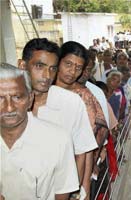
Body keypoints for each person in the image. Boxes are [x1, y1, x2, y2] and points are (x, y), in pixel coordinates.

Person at [17, 38, 98, 198]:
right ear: (22, 65)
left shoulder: (72, 103)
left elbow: (81, 152)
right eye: (39, 66)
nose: (47, 75)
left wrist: (80, 190)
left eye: (52, 68)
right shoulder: (9, 105)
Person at [0, 63, 79, 199]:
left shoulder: (58, 139)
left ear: (30, 99)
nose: (9, 108)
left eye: (17, 97)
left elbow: (62, 192)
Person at [55, 41, 108, 199]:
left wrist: (84, 187)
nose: (72, 72)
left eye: (78, 67)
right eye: (68, 64)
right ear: (58, 61)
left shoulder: (83, 95)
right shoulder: (42, 91)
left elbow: (87, 146)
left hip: (73, 169)